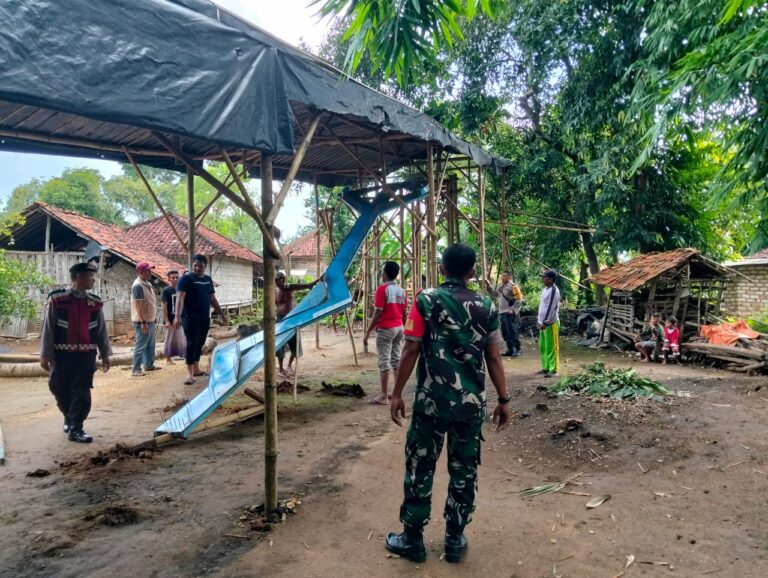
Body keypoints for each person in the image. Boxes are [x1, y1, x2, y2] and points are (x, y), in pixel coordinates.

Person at [386, 244, 511, 564]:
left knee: (420, 466)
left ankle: (412, 539)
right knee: (464, 469)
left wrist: (397, 393)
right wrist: (503, 399)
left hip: (431, 402)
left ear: (442, 269)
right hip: (470, 406)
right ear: (471, 272)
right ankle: (454, 539)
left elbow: (410, 349)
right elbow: (494, 356)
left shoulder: (425, 300)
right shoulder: (487, 305)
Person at [40, 262, 111, 443]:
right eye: (90, 276)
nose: (93, 280)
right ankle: (69, 416)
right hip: (61, 354)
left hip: (86, 354)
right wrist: (44, 354)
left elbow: (101, 330)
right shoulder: (57, 299)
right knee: (58, 387)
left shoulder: (95, 302)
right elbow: (48, 328)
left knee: (81, 391)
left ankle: (76, 427)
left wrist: (105, 354)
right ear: (78, 277)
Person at [173, 254, 227, 385]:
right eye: (195, 265)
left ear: (205, 267)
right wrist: (177, 316)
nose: (197, 268)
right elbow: (180, 298)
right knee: (191, 343)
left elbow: (212, 299)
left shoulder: (208, 280)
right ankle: (189, 374)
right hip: (190, 317)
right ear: (192, 265)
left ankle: (196, 368)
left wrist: (221, 313)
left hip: (204, 317)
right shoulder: (186, 279)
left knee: (200, 342)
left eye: (200, 266)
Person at [363, 261, 408, 405]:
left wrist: (368, 332)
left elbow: (378, 312)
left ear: (385, 274)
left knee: (383, 360)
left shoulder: (383, 289)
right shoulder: (402, 291)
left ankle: (383, 395)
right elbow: (404, 313)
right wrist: (405, 329)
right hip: (399, 327)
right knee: (396, 360)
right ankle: (396, 392)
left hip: (386, 328)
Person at [275, 271, 321, 376]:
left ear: (283, 279)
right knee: (280, 345)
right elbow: (277, 305)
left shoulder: (290, 287)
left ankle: (289, 365)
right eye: (276, 280)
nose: (277, 282)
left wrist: (313, 283)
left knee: (295, 344)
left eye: (279, 279)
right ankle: (281, 369)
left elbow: (305, 286)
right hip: (280, 321)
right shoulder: (276, 291)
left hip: (292, 320)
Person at [131, 262, 159, 377]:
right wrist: (143, 321)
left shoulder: (147, 283)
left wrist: (153, 317)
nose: (150, 273)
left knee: (151, 344)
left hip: (149, 319)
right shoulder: (138, 285)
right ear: (140, 272)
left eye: (150, 270)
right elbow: (138, 304)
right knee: (141, 345)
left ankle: (148, 365)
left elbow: (150, 302)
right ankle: (136, 369)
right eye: (148, 271)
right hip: (142, 321)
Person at [494, 270, 524, 357]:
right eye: (502, 276)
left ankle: (518, 349)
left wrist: (513, 310)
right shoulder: (502, 287)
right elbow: (495, 294)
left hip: (509, 313)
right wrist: (488, 286)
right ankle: (510, 349)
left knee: (511, 331)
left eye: (504, 276)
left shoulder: (513, 286)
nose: (502, 277)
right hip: (502, 312)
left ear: (509, 277)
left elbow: (519, 299)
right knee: (504, 331)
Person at [537, 270, 561, 377]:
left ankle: (554, 369)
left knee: (552, 347)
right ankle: (546, 367)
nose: (543, 279)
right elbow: (542, 306)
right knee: (544, 346)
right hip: (543, 323)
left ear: (551, 279)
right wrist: (539, 320)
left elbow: (551, 308)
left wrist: (545, 322)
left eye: (545, 277)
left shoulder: (554, 291)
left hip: (550, 323)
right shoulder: (545, 289)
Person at [161, 270, 182, 364]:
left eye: (177, 277)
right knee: (169, 339)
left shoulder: (181, 289)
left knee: (179, 338)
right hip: (170, 318)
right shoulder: (166, 291)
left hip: (180, 318)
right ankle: (168, 359)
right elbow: (164, 307)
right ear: (168, 279)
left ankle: (180, 355)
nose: (175, 279)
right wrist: (167, 321)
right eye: (173, 277)